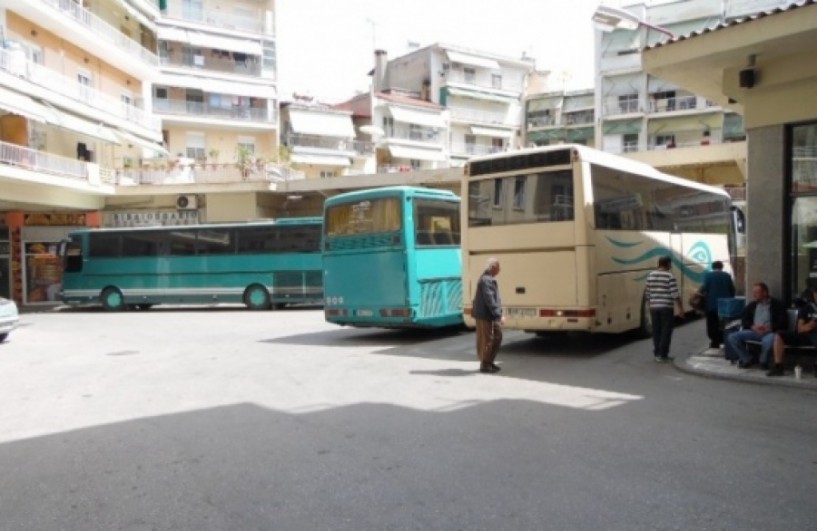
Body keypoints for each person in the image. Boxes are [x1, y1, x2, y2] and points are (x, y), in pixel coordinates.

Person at [725, 282, 787, 368]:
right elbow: (744, 319)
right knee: (732, 337)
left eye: (756, 293)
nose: (754, 295)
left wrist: (770, 328)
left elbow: (783, 321)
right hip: (754, 331)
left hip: (769, 332)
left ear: (764, 293)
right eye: (753, 292)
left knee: (768, 341)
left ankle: (763, 361)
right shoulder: (752, 305)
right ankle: (747, 359)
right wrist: (752, 326)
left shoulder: (777, 305)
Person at [767, 285, 817, 376]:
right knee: (779, 335)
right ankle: (778, 365)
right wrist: (811, 325)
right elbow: (800, 328)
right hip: (805, 335)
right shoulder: (807, 308)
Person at [645, 255, 684, 362]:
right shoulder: (669, 276)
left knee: (656, 330)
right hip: (666, 307)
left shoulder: (650, 275)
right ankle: (663, 354)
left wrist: (650, 306)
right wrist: (680, 308)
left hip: (654, 307)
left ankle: (657, 353)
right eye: (670, 264)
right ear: (668, 264)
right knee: (666, 331)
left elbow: (648, 293)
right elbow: (675, 294)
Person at [472, 257, 504, 374]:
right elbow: (489, 298)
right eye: (498, 268)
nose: (499, 270)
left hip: (490, 314)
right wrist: (498, 314)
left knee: (497, 336)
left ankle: (489, 361)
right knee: (487, 340)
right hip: (484, 315)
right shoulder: (486, 280)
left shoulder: (489, 279)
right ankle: (485, 364)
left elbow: (494, 298)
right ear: (492, 267)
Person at [699, 261, 736, 349]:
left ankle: (714, 341)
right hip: (725, 305)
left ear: (712, 267)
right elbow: (732, 290)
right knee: (724, 324)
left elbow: (704, 288)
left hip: (711, 305)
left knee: (712, 324)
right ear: (722, 267)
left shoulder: (708, 276)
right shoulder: (727, 276)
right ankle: (724, 339)